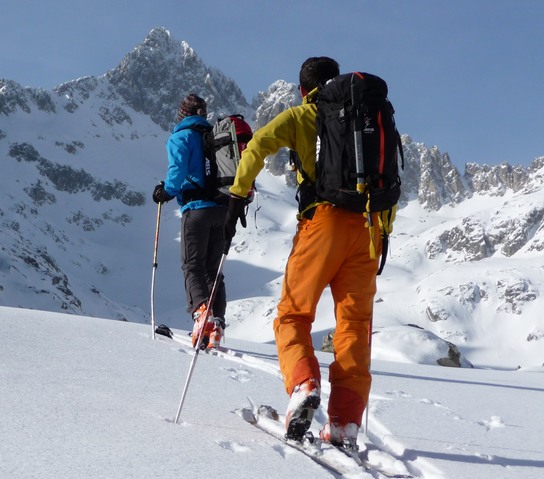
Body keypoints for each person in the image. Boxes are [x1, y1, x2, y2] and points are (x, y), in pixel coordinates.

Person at [223, 57, 381, 450]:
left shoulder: (301, 114)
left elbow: (257, 144)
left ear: (302, 88)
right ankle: (345, 421)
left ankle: (303, 384)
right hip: (366, 227)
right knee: (353, 327)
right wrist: (383, 233)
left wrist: (238, 194)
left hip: (322, 222)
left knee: (293, 314)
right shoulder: (367, 116)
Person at [152, 93, 227, 350]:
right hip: (222, 209)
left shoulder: (181, 136)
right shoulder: (216, 137)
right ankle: (216, 324)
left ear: (182, 115)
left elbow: (177, 171)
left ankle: (201, 314)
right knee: (213, 270)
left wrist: (166, 192)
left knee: (192, 265)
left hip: (196, 210)